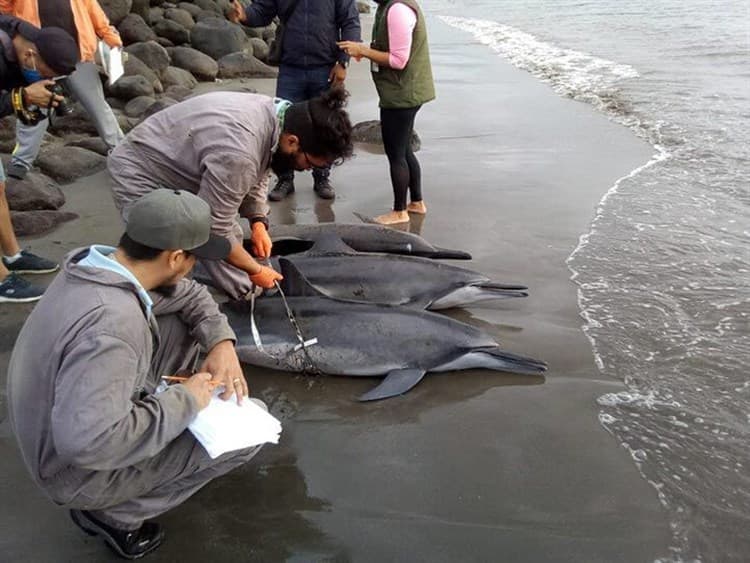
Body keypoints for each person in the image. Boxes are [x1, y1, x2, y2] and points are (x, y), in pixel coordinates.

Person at [7, 188, 264, 560]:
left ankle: (143, 416)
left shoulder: (99, 268)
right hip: (69, 468)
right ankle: (113, 515)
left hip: (56, 418)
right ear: (176, 257)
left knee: (179, 319)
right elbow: (88, 444)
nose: (195, 266)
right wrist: (186, 400)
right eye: (194, 257)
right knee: (246, 431)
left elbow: (191, 297)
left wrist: (221, 343)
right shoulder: (114, 324)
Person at [107, 87, 354, 300]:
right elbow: (212, 232)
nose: (306, 170)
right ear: (293, 142)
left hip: (180, 161)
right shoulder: (239, 153)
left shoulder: (279, 117)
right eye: (309, 163)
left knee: (216, 244)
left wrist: (258, 221)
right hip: (142, 170)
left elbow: (264, 165)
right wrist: (254, 273)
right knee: (162, 257)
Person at [228, 0, 361, 201]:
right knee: (284, 126)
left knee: (323, 126)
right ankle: (285, 179)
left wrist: (343, 62)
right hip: (290, 68)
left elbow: (350, 22)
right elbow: (263, 10)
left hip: (325, 67)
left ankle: (322, 177)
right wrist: (245, 15)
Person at [0, 15, 79, 301]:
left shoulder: (27, 39)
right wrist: (20, 99)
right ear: (31, 55)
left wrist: (26, 104)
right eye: (46, 74)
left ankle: (12, 256)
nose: (46, 81)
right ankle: (1, 282)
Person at [0, 0, 125, 180]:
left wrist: (111, 37)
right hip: (38, 53)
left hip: (78, 55)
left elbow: (93, 10)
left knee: (97, 104)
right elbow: (4, 9)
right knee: (34, 105)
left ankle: (120, 150)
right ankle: (21, 161)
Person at [338, 0, 435, 225]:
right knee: (404, 149)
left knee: (396, 154)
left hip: (402, 96)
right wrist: (368, 51)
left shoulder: (398, 10)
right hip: (406, 92)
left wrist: (364, 50)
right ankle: (416, 203)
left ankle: (399, 211)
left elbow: (399, 60)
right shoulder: (389, 6)